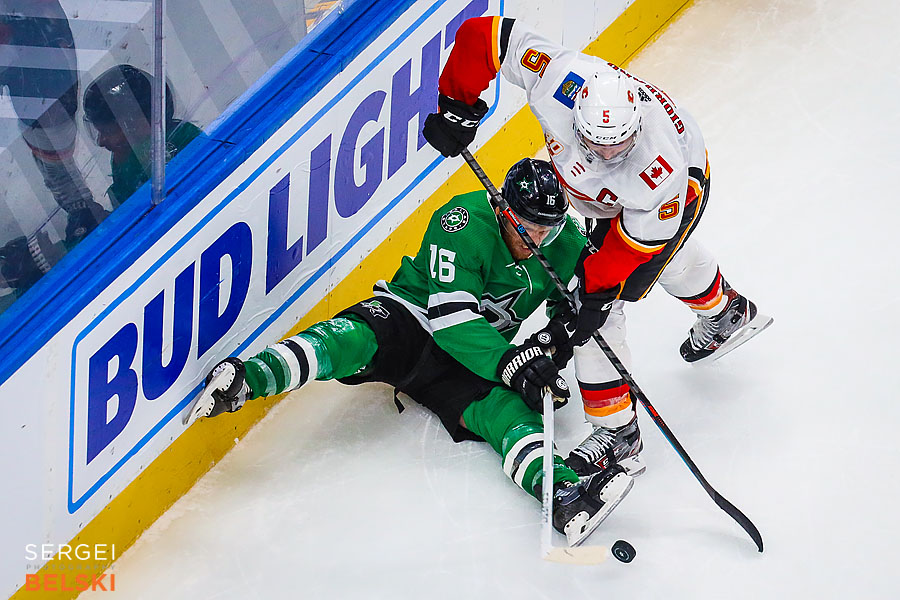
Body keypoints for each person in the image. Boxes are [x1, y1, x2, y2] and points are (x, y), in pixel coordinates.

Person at [188, 158, 633, 547]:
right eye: (527, 226)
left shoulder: (566, 242)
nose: (537, 238)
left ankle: (563, 494)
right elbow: (450, 317)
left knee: (509, 414)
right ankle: (249, 379)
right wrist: (511, 363)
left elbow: (575, 312)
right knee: (351, 340)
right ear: (503, 207)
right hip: (412, 320)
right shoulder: (462, 220)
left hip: (470, 360)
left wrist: (546, 352)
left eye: (547, 228)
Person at [422, 17, 772, 478]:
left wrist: (593, 296)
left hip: (670, 202)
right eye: (595, 144)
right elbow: (482, 37)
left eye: (618, 146)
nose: (606, 154)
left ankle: (617, 431)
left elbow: (624, 254)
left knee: (596, 311)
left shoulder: (657, 173)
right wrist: (457, 103)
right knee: (601, 292)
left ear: (636, 127)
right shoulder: (561, 80)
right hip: (601, 197)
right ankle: (725, 309)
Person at [82, 64, 202, 207]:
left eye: (108, 132)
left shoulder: (183, 139)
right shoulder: (126, 156)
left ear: (136, 123)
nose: (101, 141)